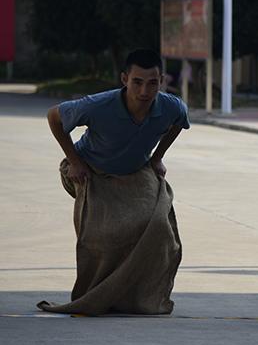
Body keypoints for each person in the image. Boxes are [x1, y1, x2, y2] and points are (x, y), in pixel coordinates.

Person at [39, 49, 189, 315]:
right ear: (124, 79)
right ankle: (94, 295)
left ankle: (141, 296)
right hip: (90, 171)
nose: (144, 90)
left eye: (152, 83)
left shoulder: (170, 106)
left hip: (135, 171)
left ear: (162, 81)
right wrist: (74, 161)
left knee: (159, 229)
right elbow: (54, 116)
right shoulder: (98, 105)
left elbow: (180, 121)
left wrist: (157, 157)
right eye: (137, 82)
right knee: (102, 237)